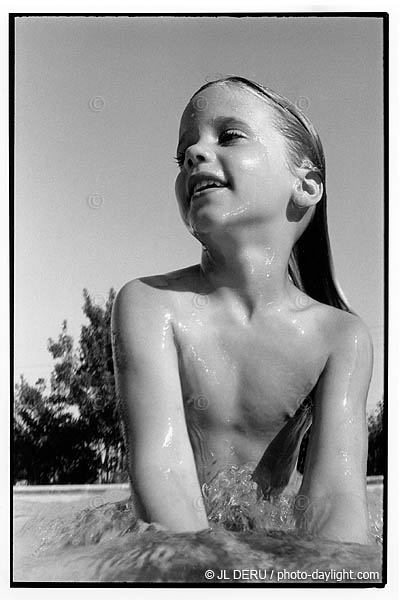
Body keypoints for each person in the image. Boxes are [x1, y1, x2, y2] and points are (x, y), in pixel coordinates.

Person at [111, 76, 373, 544]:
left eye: (228, 135)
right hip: (168, 542)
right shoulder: (149, 305)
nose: (194, 154)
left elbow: (335, 499)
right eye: (182, 154)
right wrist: (203, 570)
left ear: (306, 185)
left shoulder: (339, 337)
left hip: (262, 536)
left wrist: (335, 574)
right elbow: (162, 470)